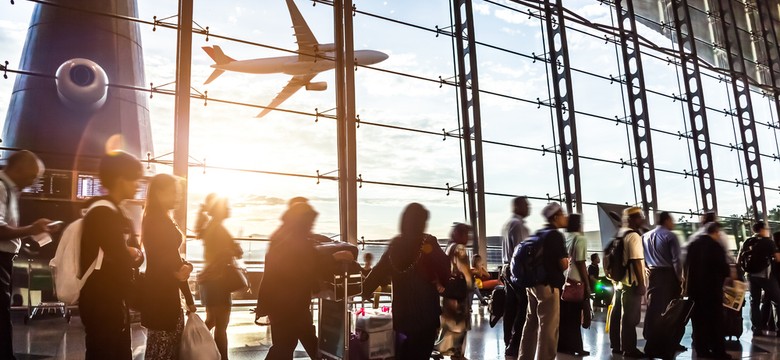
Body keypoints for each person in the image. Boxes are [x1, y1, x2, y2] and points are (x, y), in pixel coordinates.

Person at [79, 151, 145, 360]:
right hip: (101, 302)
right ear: (120, 178)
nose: (138, 184)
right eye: (134, 178)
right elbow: (121, 257)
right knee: (104, 352)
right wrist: (130, 255)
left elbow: (134, 254)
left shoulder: (119, 213)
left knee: (118, 352)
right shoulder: (102, 212)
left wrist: (133, 254)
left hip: (114, 301)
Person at [362, 203, 450, 359]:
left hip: (402, 316)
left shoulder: (395, 246)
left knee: (404, 354)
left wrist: (364, 291)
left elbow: (377, 273)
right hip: (426, 316)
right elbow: (445, 268)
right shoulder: (428, 242)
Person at [256, 201, 338, 359]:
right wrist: (334, 258)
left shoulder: (282, 235)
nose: (311, 227)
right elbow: (309, 263)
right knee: (292, 345)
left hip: (281, 304)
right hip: (291, 304)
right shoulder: (294, 240)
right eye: (310, 223)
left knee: (286, 345)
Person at [0, 150, 58, 360]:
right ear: (19, 167)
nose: (34, 180)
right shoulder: (0, 186)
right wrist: (31, 229)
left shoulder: (9, 189)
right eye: (33, 175)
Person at [141, 174, 196, 360]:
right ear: (159, 192)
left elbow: (173, 260)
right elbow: (168, 261)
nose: (178, 197)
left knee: (161, 348)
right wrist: (183, 269)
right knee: (163, 350)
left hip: (161, 296)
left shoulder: (157, 218)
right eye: (174, 192)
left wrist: (186, 267)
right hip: (161, 298)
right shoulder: (158, 221)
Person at [518, 203, 569, 360]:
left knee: (531, 324)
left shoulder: (538, 233)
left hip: (532, 285)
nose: (565, 217)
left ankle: (524, 357)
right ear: (555, 217)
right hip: (548, 286)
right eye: (562, 214)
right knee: (548, 328)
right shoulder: (555, 235)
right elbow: (563, 263)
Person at [197, 195, 243, 360]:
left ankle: (194, 344)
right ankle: (220, 357)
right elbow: (236, 252)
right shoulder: (219, 229)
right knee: (221, 326)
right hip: (218, 282)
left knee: (212, 321)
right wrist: (234, 249)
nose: (229, 208)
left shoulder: (209, 227)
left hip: (209, 281)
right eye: (226, 206)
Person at [686, 222, 731, 359]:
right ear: (716, 232)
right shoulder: (716, 246)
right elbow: (724, 269)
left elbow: (686, 266)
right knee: (715, 321)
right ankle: (718, 351)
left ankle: (701, 350)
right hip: (711, 290)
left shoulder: (693, 245)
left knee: (698, 322)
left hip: (694, 290)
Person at [642, 211, 683, 358]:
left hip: (653, 274)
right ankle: (664, 343)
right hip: (668, 275)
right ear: (666, 220)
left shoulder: (645, 236)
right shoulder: (670, 236)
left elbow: (643, 258)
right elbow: (676, 260)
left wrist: (647, 268)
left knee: (654, 308)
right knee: (670, 310)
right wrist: (680, 279)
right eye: (672, 220)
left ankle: (651, 340)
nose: (673, 223)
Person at [607, 207, 646, 358]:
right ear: (633, 219)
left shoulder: (620, 234)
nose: (642, 219)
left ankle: (616, 345)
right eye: (640, 216)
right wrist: (641, 283)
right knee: (630, 317)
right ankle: (629, 349)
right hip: (631, 283)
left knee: (617, 315)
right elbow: (636, 260)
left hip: (619, 282)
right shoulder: (633, 236)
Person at [436, 223, 473, 359]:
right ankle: (458, 355)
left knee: (450, 328)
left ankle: (453, 354)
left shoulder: (449, 247)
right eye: (466, 234)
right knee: (459, 327)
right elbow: (466, 275)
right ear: (458, 234)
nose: (468, 238)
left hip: (448, 295)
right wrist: (470, 284)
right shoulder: (460, 249)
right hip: (458, 296)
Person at [738, 222, 780, 337]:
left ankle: (757, 328)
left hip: (750, 276)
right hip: (765, 276)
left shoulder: (747, 242)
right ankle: (778, 328)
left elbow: (739, 259)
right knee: (777, 301)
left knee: (754, 302)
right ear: (762, 229)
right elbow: (778, 259)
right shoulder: (768, 242)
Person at [501, 196, 530, 359]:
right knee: (525, 306)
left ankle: (508, 341)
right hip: (517, 270)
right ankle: (515, 343)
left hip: (507, 269)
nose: (529, 207)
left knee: (510, 307)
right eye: (526, 205)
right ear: (518, 206)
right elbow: (522, 252)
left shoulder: (508, 224)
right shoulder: (518, 225)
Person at [557, 213, 590, 356]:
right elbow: (581, 262)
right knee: (576, 316)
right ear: (579, 224)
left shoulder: (565, 238)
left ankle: (563, 345)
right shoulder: (580, 238)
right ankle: (576, 346)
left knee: (565, 316)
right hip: (576, 280)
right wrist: (587, 284)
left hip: (565, 280)